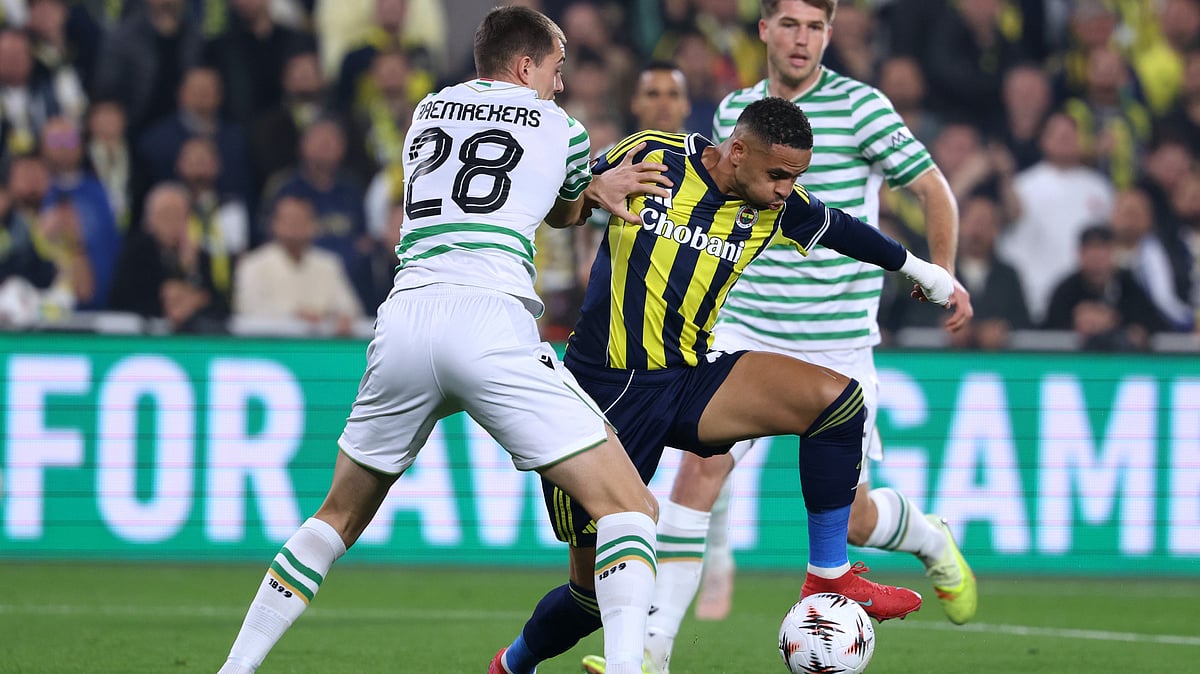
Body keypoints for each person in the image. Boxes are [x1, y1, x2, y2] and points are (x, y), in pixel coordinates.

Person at [215, 7, 674, 674]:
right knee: (630, 507)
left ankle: (236, 668)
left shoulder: (427, 111)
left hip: (405, 317)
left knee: (335, 517)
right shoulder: (562, 128)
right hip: (490, 318)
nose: (560, 85)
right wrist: (599, 187)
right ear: (525, 67)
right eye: (554, 69)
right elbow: (565, 206)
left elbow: (498, 181)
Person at [501, 96, 958, 674]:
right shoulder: (649, 155)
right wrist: (591, 189)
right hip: (600, 398)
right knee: (593, 596)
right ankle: (512, 665)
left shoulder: (771, 205)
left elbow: (844, 229)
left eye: (795, 178)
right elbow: (563, 211)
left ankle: (828, 573)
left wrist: (922, 271)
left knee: (838, 403)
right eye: (778, 174)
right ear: (737, 151)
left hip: (688, 380)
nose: (786, 189)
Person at [585, 2, 979, 672]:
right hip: (745, 324)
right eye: (789, 24)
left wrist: (936, 272)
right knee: (699, 470)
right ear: (764, 29)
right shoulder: (737, 109)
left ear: (829, 34)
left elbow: (933, 189)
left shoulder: (863, 108)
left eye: (816, 26)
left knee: (850, 520)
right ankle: (652, 652)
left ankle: (929, 535)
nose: (802, 39)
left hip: (835, 339)